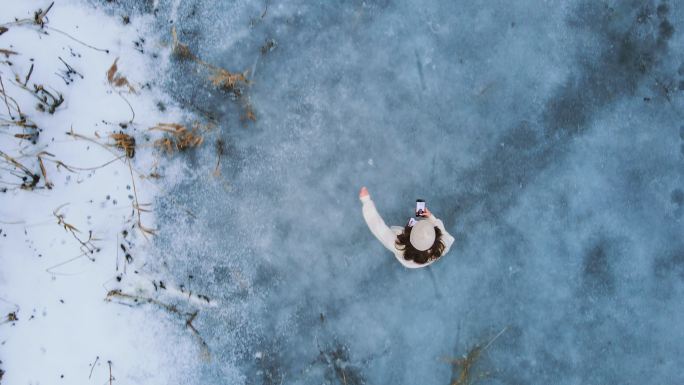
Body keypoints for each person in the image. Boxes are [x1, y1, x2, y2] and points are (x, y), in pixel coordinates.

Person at [358, 186, 455, 268]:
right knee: (413, 222)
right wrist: (430, 216)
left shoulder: (398, 247)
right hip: (423, 254)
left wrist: (366, 201)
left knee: (409, 224)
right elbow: (446, 237)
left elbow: (379, 228)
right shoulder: (442, 244)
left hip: (407, 257)